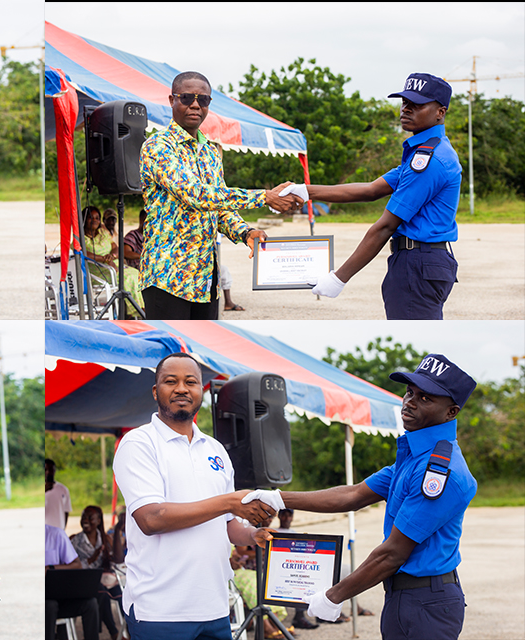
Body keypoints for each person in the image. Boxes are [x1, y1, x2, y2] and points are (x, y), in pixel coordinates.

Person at [246, 353, 477, 640]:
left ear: (451, 412)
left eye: (425, 398)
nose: (410, 402)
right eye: (409, 392)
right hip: (406, 596)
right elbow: (353, 495)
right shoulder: (417, 456)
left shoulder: (440, 471)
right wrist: (279, 498)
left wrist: (334, 596)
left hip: (425, 602)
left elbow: (393, 553)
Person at [112, 352, 278, 640]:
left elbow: (226, 525)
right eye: (170, 381)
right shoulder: (139, 443)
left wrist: (252, 536)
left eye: (190, 381)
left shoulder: (215, 450)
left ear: (201, 391)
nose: (181, 388)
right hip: (160, 612)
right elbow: (151, 519)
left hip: (214, 607)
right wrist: (229, 502)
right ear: (155, 391)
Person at [139, 71, 302, 320]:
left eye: (202, 99)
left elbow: (219, 207)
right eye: (187, 98)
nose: (195, 105)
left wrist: (245, 233)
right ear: (172, 100)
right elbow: (194, 195)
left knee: (201, 352)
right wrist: (264, 197)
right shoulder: (158, 146)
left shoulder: (210, 152)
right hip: (167, 277)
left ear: (209, 104)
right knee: (175, 353)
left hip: (205, 280)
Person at [304, 73, 461, 320]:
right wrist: (305, 192)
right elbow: (371, 190)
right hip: (421, 260)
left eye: (417, 105)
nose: (406, 109)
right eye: (404, 102)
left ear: (440, 112)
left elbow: (385, 226)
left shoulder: (429, 160)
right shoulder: (425, 152)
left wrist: (339, 277)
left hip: (417, 261)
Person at [70, 505, 124, 639]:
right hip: (84, 582)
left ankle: (127, 631)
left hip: (106, 581)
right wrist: (91, 559)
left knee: (123, 595)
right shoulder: (75, 541)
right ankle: (114, 633)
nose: (85, 520)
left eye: (90, 518)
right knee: (102, 593)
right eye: (83, 517)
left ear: (99, 521)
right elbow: (71, 567)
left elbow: (118, 561)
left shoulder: (106, 539)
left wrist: (117, 530)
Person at [81, 205, 144, 313]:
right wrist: (104, 259)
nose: (94, 220)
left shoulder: (103, 233)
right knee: (127, 278)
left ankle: (137, 309)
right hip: (98, 271)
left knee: (136, 273)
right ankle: (136, 311)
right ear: (84, 219)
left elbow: (115, 247)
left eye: (97, 218)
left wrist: (112, 257)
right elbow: (84, 253)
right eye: (91, 217)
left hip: (113, 264)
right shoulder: (81, 238)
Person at [46, 523, 100, 640]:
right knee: (50, 606)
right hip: (39, 600)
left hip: (59, 594)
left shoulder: (56, 534)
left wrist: (51, 568)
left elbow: (77, 564)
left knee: (91, 604)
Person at [45, 458, 73, 529]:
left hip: (58, 529)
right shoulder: (37, 489)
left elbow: (66, 511)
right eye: (45, 470)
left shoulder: (63, 489)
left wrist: (63, 529)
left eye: (50, 469)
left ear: (54, 470)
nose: (48, 472)